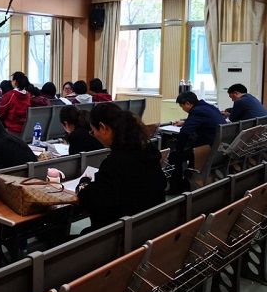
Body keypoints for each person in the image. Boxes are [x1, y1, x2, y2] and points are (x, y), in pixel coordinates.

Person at [75, 103, 166, 232]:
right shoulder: (149, 152)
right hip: (150, 227)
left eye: (93, 131)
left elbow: (91, 201)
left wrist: (83, 184)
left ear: (103, 128)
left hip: (120, 235)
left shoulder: (115, 163)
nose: (93, 135)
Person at [167, 91, 226, 194]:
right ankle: (186, 183)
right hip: (219, 147)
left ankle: (176, 188)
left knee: (174, 157)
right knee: (187, 151)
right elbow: (203, 121)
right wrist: (185, 122)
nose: (182, 109)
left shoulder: (196, 111)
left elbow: (185, 132)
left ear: (187, 103)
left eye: (182, 106)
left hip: (208, 148)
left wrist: (178, 149)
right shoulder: (208, 106)